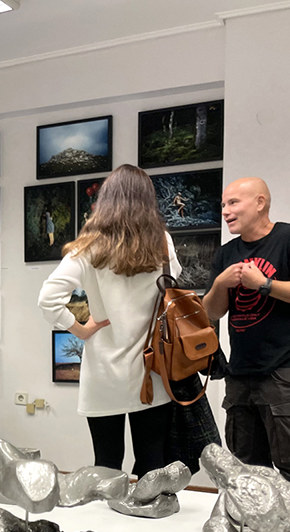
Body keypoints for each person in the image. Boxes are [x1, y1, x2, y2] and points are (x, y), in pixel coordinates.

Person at [38, 164, 181, 477]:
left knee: (106, 464)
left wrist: (80, 329)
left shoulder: (87, 248)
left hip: (103, 372)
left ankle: (108, 512)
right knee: (152, 463)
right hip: (152, 370)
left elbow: (47, 299)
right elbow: (175, 280)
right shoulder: (162, 243)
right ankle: (149, 508)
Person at [203, 177, 290, 484]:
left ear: (260, 203)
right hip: (240, 375)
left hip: (286, 373)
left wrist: (263, 284)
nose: (225, 211)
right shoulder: (226, 253)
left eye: (233, 202)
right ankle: (257, 518)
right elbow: (211, 313)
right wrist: (220, 284)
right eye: (223, 204)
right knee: (248, 471)